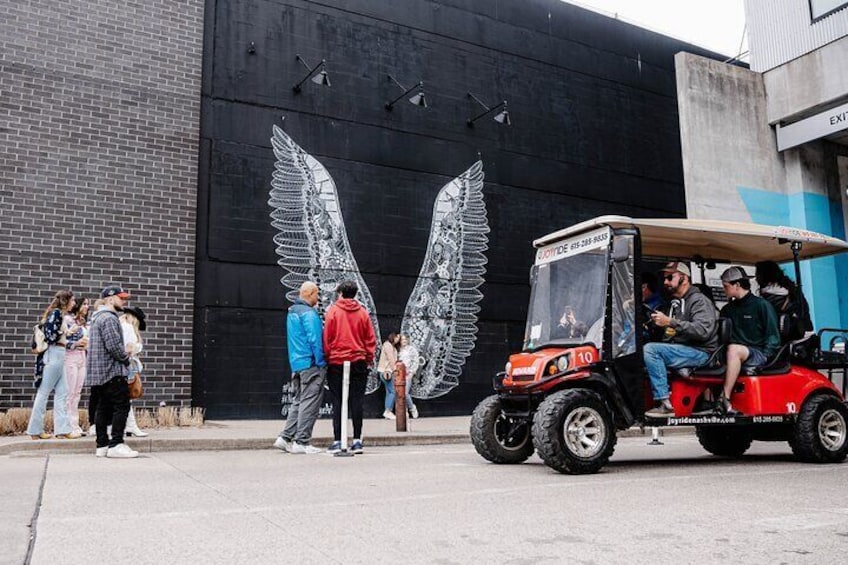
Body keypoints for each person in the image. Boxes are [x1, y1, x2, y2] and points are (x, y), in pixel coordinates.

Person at [643, 262, 719, 417]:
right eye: (664, 278)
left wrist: (670, 322)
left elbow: (703, 331)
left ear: (684, 278)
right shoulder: (674, 303)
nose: (665, 282)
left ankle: (664, 404)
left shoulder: (699, 301)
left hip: (702, 353)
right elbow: (670, 331)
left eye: (670, 277)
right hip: (683, 349)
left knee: (651, 350)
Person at [716, 266, 780, 415]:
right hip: (734, 354)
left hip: (757, 353)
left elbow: (772, 335)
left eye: (726, 286)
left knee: (733, 349)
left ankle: (724, 397)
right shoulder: (727, 309)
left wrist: (767, 356)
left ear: (737, 285)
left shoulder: (761, 305)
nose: (724, 290)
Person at [323, 280, 376, 454]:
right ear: (355, 294)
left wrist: (329, 356)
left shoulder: (333, 311)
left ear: (340, 293)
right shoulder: (362, 313)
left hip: (337, 361)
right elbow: (370, 339)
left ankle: (338, 440)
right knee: (357, 401)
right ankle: (357, 440)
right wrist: (368, 358)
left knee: (337, 400)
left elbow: (327, 338)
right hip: (358, 360)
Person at [274, 281, 327, 454]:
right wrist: (321, 362)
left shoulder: (292, 312)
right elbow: (315, 340)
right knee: (309, 403)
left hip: (296, 364)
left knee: (298, 400)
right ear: (310, 294)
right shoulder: (309, 314)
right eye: (317, 294)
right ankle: (302, 441)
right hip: (311, 364)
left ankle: (285, 437)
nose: (318, 298)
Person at [86, 286, 136, 458]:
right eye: (121, 298)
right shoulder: (109, 318)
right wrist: (126, 356)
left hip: (100, 373)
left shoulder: (96, 317)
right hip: (112, 371)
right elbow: (114, 347)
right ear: (110, 299)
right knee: (122, 406)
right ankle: (116, 444)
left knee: (102, 408)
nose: (124, 301)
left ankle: (102, 445)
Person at [27, 290, 76, 439]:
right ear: (65, 301)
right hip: (53, 354)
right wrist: (66, 333)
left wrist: (67, 333)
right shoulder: (56, 314)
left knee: (62, 392)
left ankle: (62, 429)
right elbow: (51, 336)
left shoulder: (57, 314)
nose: (74, 303)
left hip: (59, 355)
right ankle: (35, 431)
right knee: (44, 392)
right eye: (72, 300)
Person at [755, 260, 812, 341]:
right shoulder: (792, 288)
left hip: (790, 338)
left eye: (757, 274)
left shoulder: (769, 295)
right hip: (805, 332)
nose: (756, 278)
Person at [121, 306, 149, 438]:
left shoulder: (127, 328)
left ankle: (129, 426)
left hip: (129, 366)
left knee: (126, 398)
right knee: (126, 397)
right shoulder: (127, 328)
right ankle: (130, 426)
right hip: (128, 366)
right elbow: (129, 348)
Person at [64, 297, 90, 437]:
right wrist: (76, 343)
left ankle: (75, 425)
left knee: (77, 392)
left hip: (82, 357)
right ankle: (67, 426)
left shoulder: (85, 323)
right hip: (70, 357)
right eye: (84, 304)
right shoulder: (68, 320)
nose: (87, 307)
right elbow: (61, 340)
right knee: (70, 392)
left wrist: (87, 344)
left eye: (88, 305)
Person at [377, 332, 400, 420]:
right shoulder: (388, 345)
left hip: (386, 371)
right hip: (386, 371)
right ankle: (388, 411)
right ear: (393, 336)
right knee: (393, 391)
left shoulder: (392, 346)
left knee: (389, 391)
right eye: (398, 337)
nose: (398, 339)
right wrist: (395, 370)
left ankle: (388, 410)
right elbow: (391, 359)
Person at [397, 334, 421, 419]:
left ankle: (412, 408)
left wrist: (412, 372)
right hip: (399, 374)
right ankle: (404, 411)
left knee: (405, 393)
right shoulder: (398, 350)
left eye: (405, 339)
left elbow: (416, 361)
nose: (403, 341)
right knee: (400, 394)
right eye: (402, 340)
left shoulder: (412, 350)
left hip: (408, 374)